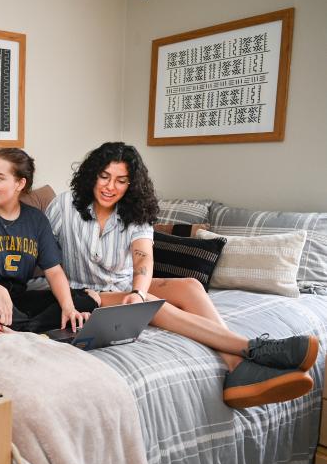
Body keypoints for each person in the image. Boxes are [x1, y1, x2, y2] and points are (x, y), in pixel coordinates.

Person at [46, 141, 318, 408]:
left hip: (125, 285)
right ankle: (254, 349)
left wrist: (138, 292)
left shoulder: (134, 211)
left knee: (190, 285)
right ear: (92, 174)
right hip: (88, 293)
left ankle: (236, 368)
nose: (110, 187)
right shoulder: (64, 205)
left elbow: (143, 255)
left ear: (131, 184)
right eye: (104, 177)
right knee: (156, 306)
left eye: (121, 180)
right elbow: (42, 250)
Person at [0, 148, 99, 334]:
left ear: (19, 183)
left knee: (88, 299)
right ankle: (34, 328)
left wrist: (68, 308)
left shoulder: (36, 220)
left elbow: (54, 271)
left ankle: (20, 328)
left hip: (16, 297)